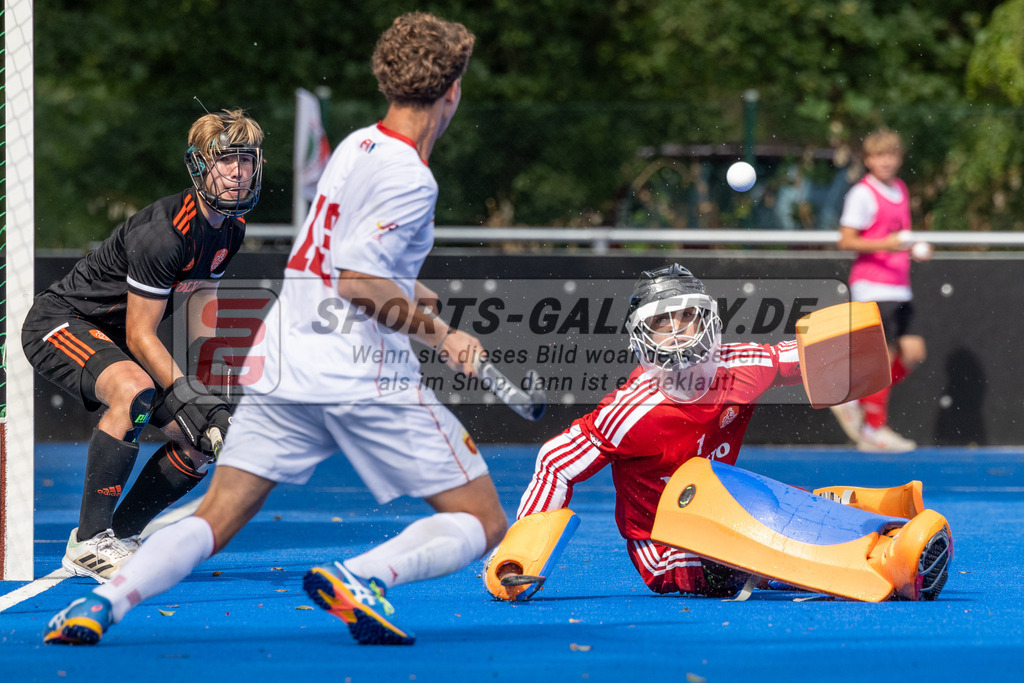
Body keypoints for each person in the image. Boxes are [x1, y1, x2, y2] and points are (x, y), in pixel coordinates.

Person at [44, 11, 506, 647]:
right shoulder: (412, 177)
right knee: (483, 520)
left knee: (215, 511)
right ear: (451, 90)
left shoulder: (355, 148)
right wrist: (442, 334)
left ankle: (105, 602)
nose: (237, 172)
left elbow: (350, 261)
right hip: (355, 371)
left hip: (285, 361)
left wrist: (413, 292)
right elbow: (357, 282)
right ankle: (358, 577)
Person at [499, 265, 949, 599]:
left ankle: (868, 513)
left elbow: (808, 357)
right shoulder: (631, 411)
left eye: (685, 317)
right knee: (731, 563)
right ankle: (886, 560)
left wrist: (863, 349)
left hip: (730, 502)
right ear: (641, 337)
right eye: (661, 323)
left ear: (707, 320)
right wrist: (522, 552)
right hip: (663, 534)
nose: (675, 333)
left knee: (780, 515)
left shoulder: (744, 365)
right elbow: (555, 463)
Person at [21, 108, 264, 582]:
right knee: (134, 390)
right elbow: (139, 335)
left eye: (247, 161)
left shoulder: (230, 232)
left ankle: (123, 537)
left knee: (198, 444)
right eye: (226, 160)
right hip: (60, 323)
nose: (238, 172)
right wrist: (189, 395)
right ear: (200, 166)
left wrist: (214, 398)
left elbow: (202, 313)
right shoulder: (164, 232)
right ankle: (88, 544)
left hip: (112, 341)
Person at [830, 128, 928, 452]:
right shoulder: (862, 193)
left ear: (899, 158)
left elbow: (898, 238)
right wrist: (888, 244)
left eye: (891, 155)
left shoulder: (900, 189)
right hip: (872, 285)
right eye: (879, 155)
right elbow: (846, 240)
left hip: (901, 287)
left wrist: (912, 249)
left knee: (913, 354)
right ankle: (873, 428)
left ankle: (855, 395)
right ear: (869, 160)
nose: (886, 161)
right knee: (882, 358)